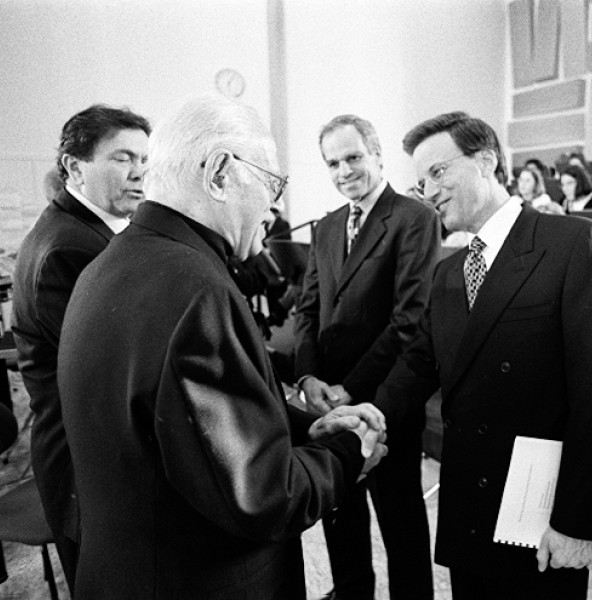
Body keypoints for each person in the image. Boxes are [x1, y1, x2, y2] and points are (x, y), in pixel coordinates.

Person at [57, 94, 388, 599]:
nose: (274, 204)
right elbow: (261, 496)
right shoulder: (196, 289)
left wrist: (307, 427)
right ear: (219, 173)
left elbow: (188, 430)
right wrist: (346, 452)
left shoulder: (109, 264)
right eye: (271, 183)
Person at [373, 111, 592, 599]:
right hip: (470, 503)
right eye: (420, 180)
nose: (427, 190)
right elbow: (418, 362)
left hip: (540, 511)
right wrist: (373, 411)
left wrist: (579, 522)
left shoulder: (574, 243)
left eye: (438, 172)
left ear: (486, 160)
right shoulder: (449, 272)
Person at [293, 114, 440, 600]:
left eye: (353, 157)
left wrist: (350, 387)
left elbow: (409, 319)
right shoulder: (328, 225)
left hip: (385, 395)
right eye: (332, 163)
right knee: (341, 507)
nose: (343, 171)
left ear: (376, 154)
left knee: (399, 517)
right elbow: (308, 307)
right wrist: (309, 376)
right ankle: (352, 592)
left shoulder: (413, 218)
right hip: (329, 397)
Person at [12, 103, 151, 592]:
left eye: (143, 160)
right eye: (122, 159)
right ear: (74, 166)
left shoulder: (81, 232)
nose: (140, 173)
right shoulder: (70, 248)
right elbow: (113, 377)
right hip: (86, 474)